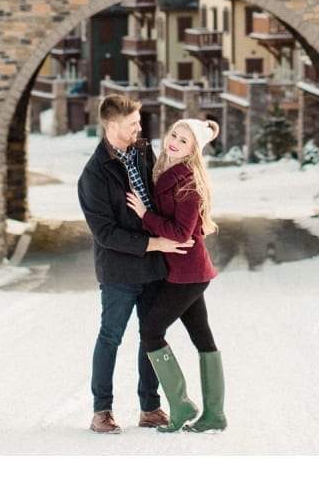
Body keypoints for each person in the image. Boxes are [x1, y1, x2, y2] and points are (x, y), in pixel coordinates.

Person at [77, 94, 194, 435]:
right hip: (119, 271)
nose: (139, 128)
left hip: (153, 268)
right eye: (133, 124)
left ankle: (150, 407)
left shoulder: (142, 152)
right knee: (110, 336)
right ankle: (102, 411)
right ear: (112, 126)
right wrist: (154, 242)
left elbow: (161, 193)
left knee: (151, 335)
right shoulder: (94, 175)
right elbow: (105, 233)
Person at [126, 117, 227, 433]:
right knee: (203, 338)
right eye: (173, 134)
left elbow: (182, 232)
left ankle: (181, 405)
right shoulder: (166, 172)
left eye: (183, 141)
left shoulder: (187, 183)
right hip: (186, 271)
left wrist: (146, 216)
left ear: (192, 150)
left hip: (189, 272)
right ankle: (215, 415)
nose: (174, 142)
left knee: (151, 331)